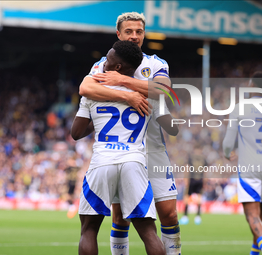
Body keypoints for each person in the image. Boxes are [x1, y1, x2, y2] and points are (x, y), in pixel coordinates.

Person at [79, 12, 181, 255]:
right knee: (121, 216)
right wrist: (129, 96)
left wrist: (122, 81)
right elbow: (85, 87)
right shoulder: (103, 63)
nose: (134, 36)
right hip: (121, 147)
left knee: (169, 212)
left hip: (153, 148)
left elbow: (164, 90)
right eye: (129, 31)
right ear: (119, 34)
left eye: (139, 32)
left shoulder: (156, 63)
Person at [223, 72, 262, 255]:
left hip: (249, 166)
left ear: (251, 86)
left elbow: (228, 142)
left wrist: (228, 154)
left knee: (252, 214)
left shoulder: (240, 108)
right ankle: (255, 252)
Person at [179, 145, 206, 225]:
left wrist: (186, 179)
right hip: (200, 180)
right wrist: (204, 181)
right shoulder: (203, 159)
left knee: (186, 197)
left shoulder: (191, 157)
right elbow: (205, 171)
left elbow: (187, 168)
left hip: (191, 179)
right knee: (199, 198)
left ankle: (185, 217)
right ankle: (198, 217)